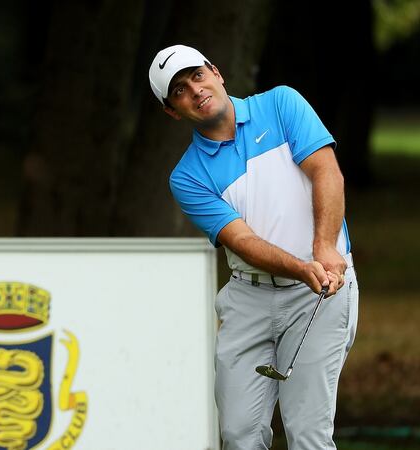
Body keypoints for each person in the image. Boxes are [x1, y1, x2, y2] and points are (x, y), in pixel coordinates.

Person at [148, 45, 359, 449]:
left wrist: (324, 247)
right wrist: (301, 266)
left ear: (216, 71)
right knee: (239, 434)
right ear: (172, 112)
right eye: (178, 90)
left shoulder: (281, 103)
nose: (194, 90)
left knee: (307, 433)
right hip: (248, 299)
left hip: (320, 292)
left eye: (196, 75)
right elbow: (241, 240)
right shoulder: (187, 176)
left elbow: (326, 170)